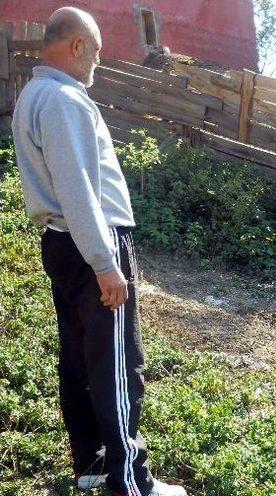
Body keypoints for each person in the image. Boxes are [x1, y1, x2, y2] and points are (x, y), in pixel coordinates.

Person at [11, 7, 187, 496]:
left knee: (81, 358)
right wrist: (107, 264)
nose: (99, 62)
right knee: (116, 363)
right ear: (77, 46)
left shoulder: (34, 94)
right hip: (92, 242)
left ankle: (91, 465)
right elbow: (78, 190)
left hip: (62, 244)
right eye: (98, 51)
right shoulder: (64, 99)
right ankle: (131, 482)